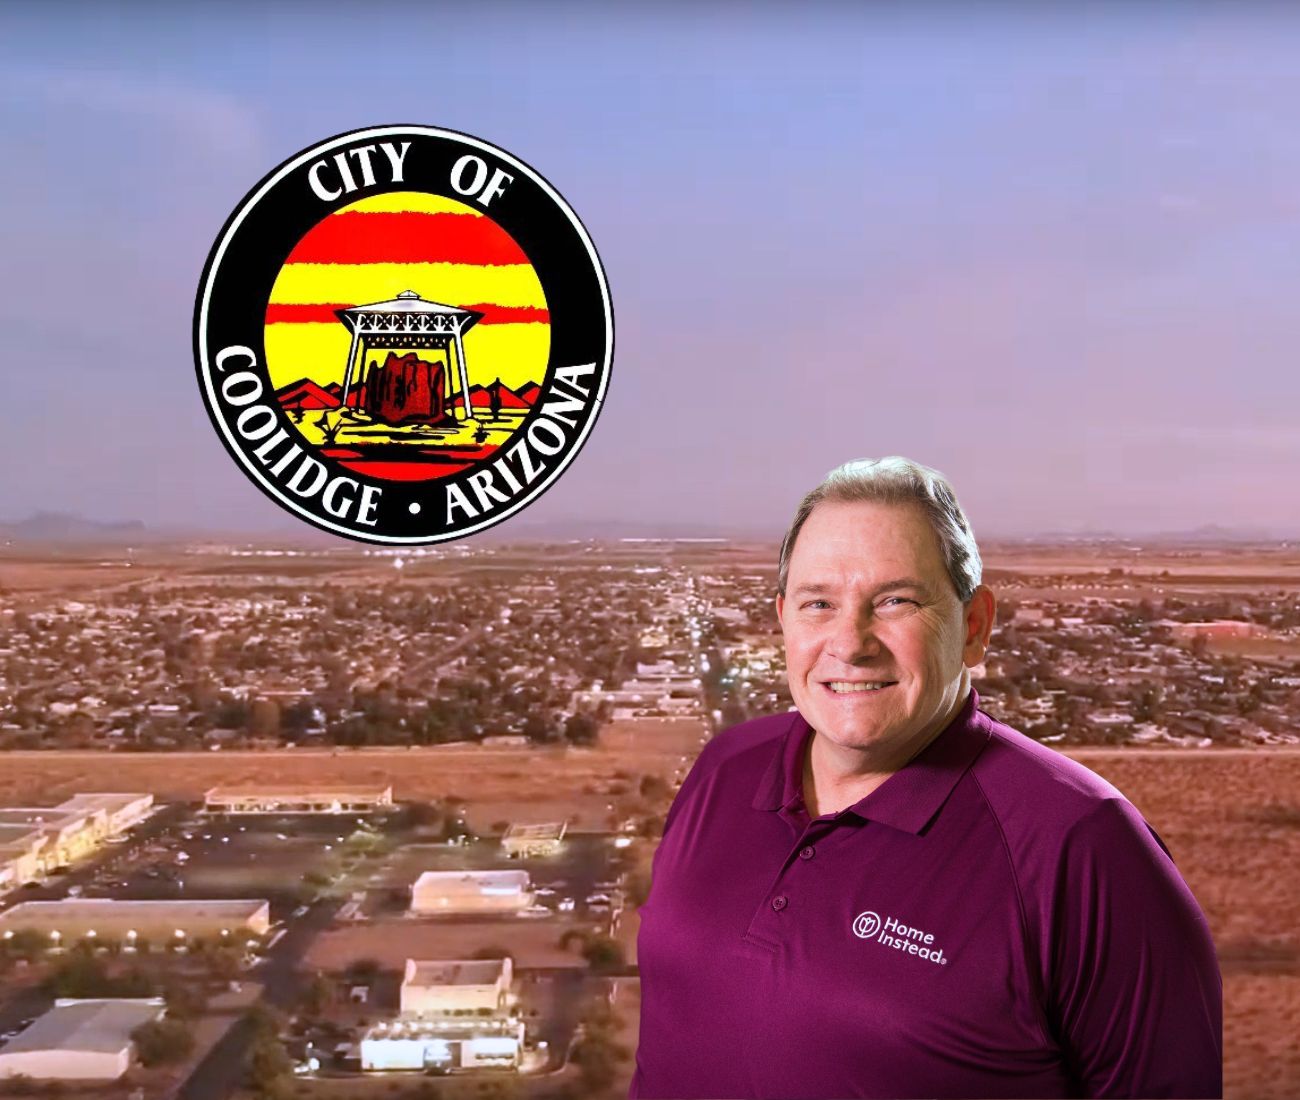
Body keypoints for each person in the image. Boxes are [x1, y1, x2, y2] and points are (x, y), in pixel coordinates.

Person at [632, 457, 1222, 1100]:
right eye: (818, 604)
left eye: (895, 602)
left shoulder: (1082, 848)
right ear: (783, 619)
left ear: (974, 627)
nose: (850, 642)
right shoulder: (726, 767)